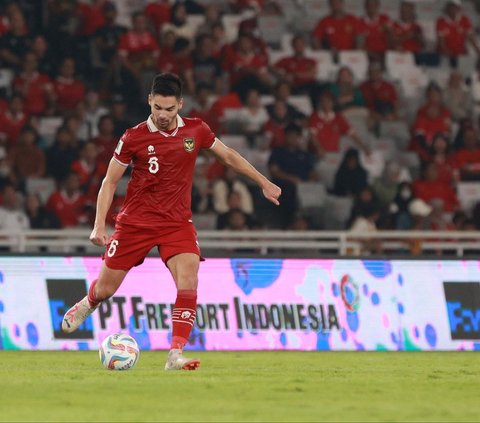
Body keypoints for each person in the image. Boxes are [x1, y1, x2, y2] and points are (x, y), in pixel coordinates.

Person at [61, 73, 281, 371]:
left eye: (169, 109)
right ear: (150, 101)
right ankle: (88, 302)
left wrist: (263, 182)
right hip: (135, 223)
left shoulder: (196, 130)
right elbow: (110, 181)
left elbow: (228, 156)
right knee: (106, 289)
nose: (163, 116)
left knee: (189, 280)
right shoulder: (133, 137)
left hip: (177, 223)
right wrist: (99, 225)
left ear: (180, 104)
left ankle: (175, 354)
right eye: (157, 108)